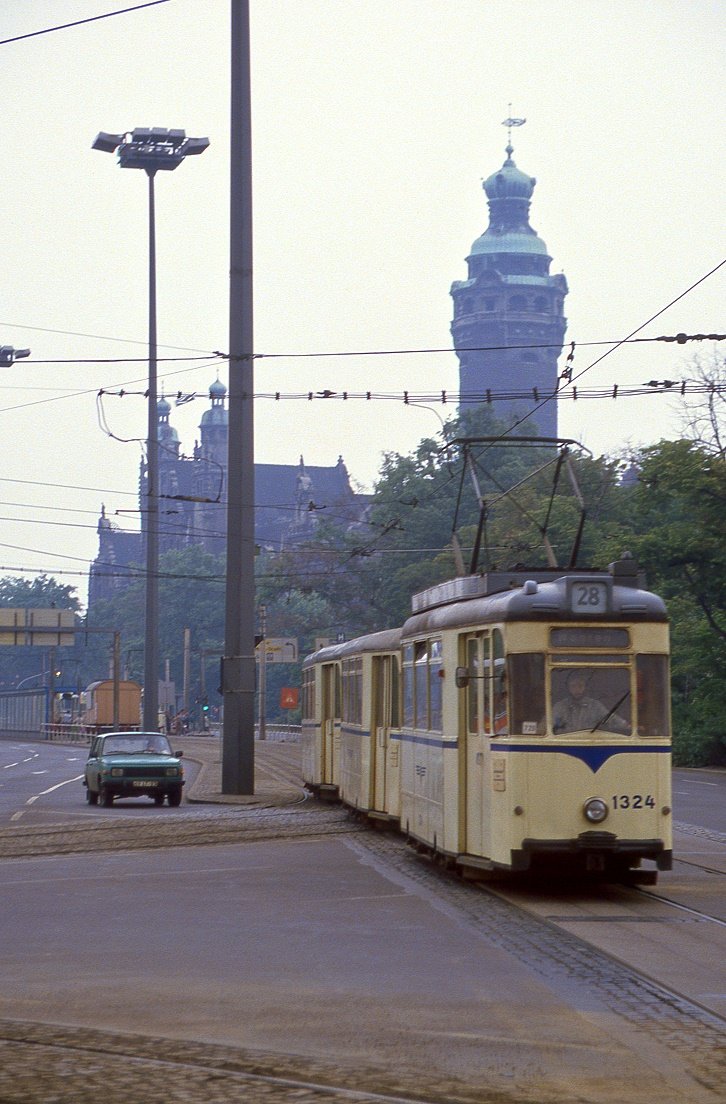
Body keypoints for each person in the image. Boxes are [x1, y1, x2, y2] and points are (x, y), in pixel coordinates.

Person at [552, 670, 630, 735]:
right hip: (566, 742)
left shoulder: (595, 705)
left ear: (585, 687)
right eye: (573, 686)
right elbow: (549, 722)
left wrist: (628, 726)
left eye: (580, 686)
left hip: (589, 740)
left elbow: (610, 719)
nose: (577, 689)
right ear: (568, 688)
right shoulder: (560, 706)